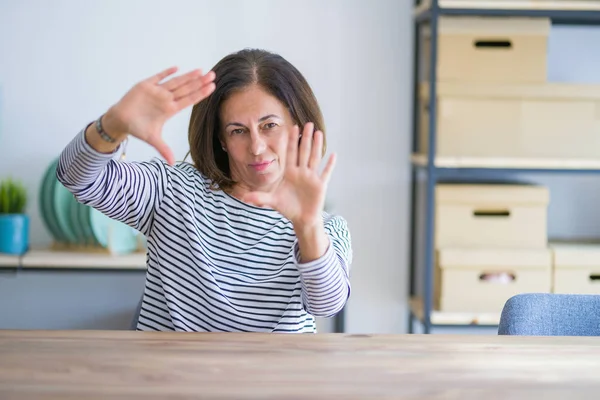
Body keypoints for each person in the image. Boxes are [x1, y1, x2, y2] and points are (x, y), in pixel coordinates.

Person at [56, 48, 352, 333]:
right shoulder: (172, 191)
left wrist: (307, 226)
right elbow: (76, 177)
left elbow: (326, 305)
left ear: (297, 127)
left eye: (269, 125)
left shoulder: (326, 227)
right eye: (238, 130)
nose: (257, 147)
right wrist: (113, 124)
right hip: (168, 379)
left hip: (271, 381)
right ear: (221, 140)